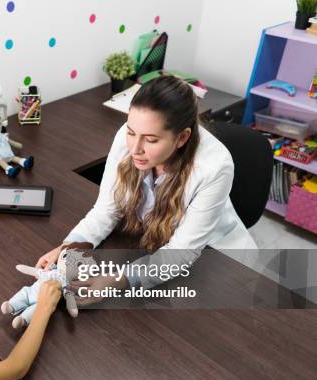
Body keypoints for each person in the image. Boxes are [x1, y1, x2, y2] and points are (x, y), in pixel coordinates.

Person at [36, 75, 257, 294]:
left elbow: (181, 253)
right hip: (158, 245)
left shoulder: (215, 165)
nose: (134, 149)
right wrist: (70, 247)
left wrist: (119, 281)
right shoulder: (128, 136)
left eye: (151, 140)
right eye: (132, 133)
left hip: (219, 260)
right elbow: (107, 208)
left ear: (182, 138)